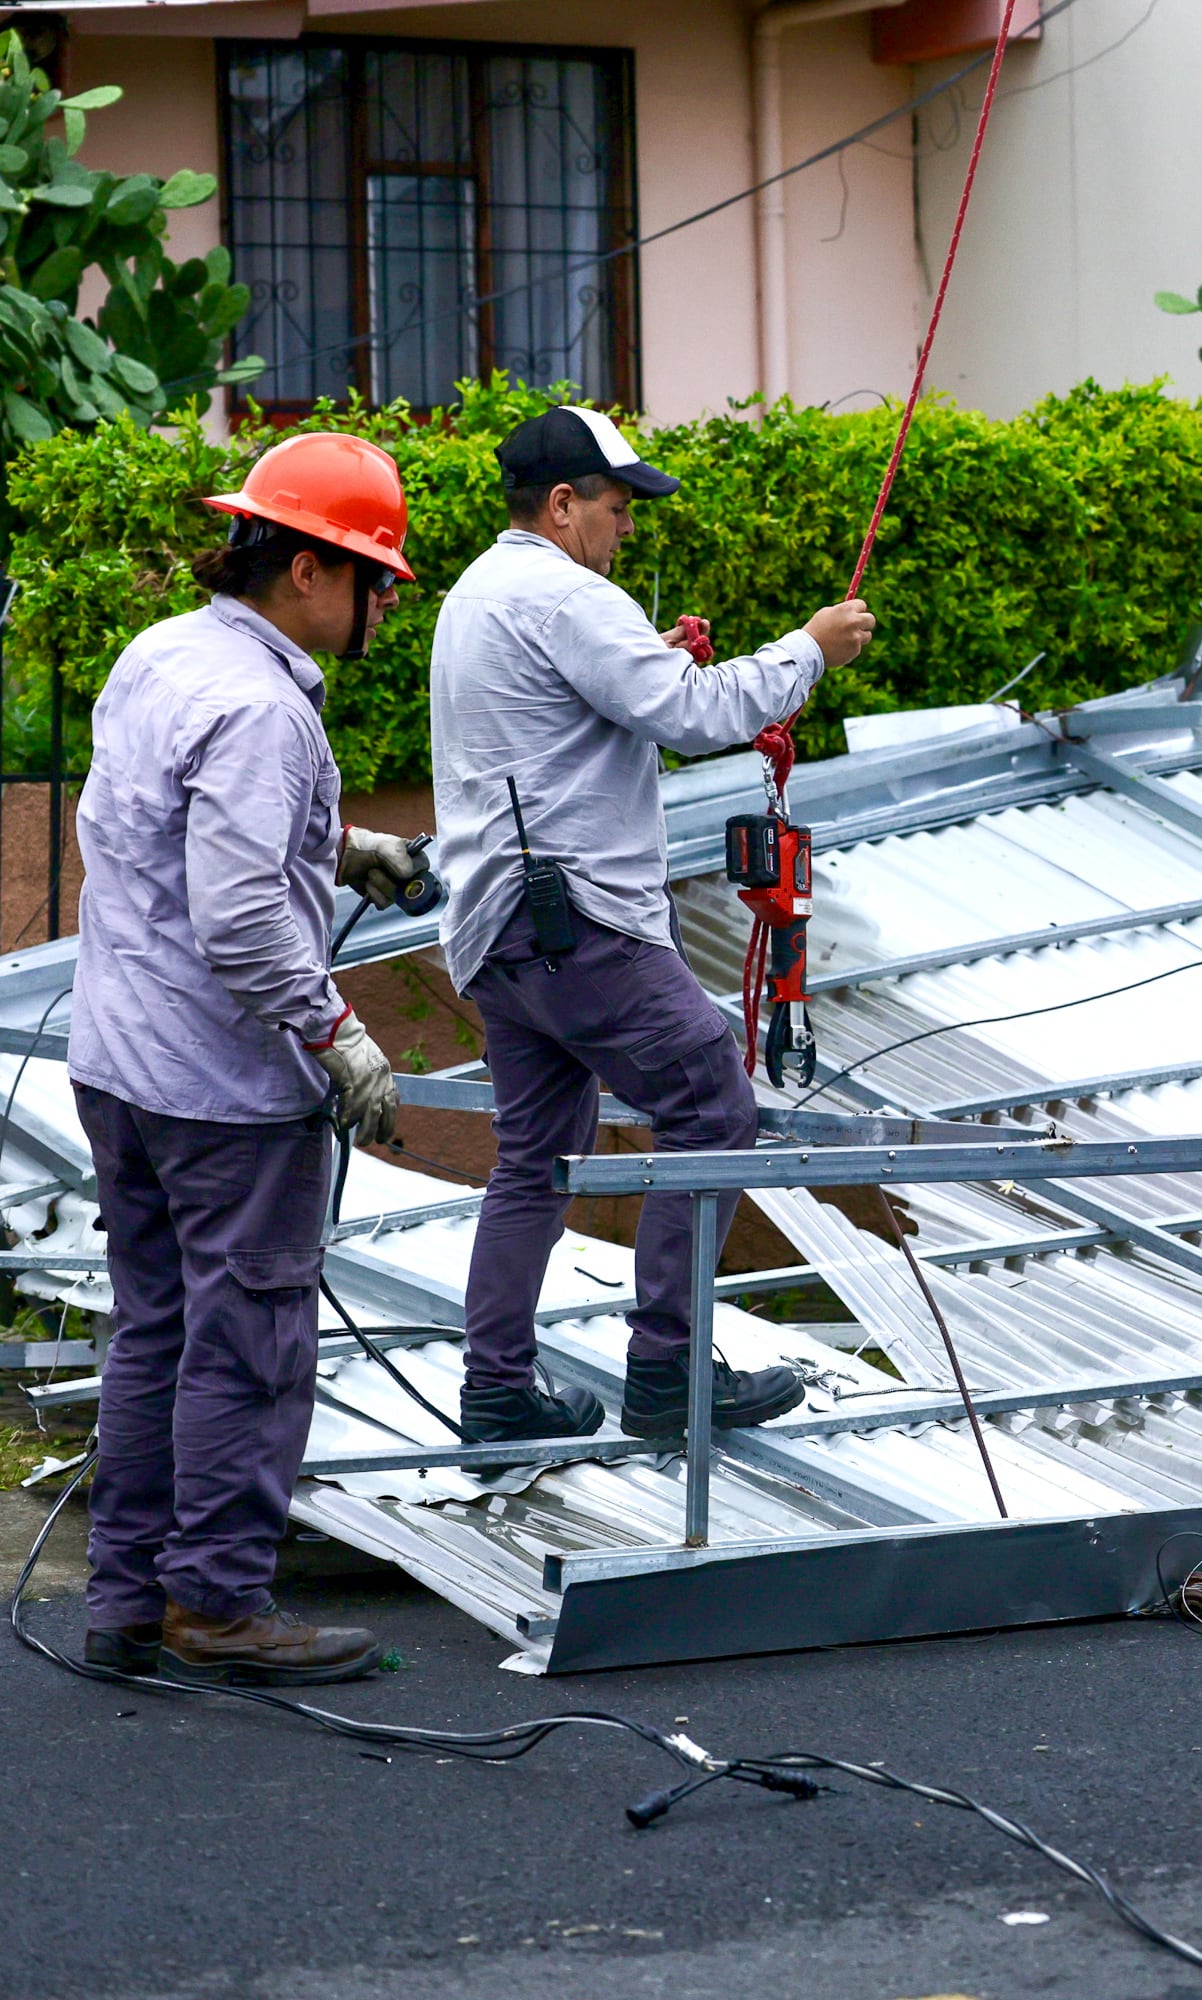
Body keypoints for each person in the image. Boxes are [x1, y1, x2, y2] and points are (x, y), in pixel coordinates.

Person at [428, 405, 875, 1444]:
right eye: (618, 507)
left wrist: (652, 657)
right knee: (714, 1106)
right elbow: (696, 714)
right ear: (562, 503)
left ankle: (495, 1388)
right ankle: (669, 1370)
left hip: (496, 930)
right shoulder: (567, 594)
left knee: (536, 1151)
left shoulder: (478, 595)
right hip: (580, 923)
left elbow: (594, 706)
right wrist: (809, 650)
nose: (626, 527)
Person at [69, 431, 424, 1686]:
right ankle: (216, 1602)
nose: (384, 600)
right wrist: (337, 1032)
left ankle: (125, 1601)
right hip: (220, 1083)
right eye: (376, 576)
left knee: (154, 1328)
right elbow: (233, 915)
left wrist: (338, 845)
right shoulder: (266, 706)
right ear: (310, 572)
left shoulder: (166, 652)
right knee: (249, 1341)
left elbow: (159, 830)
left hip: (119, 1059)